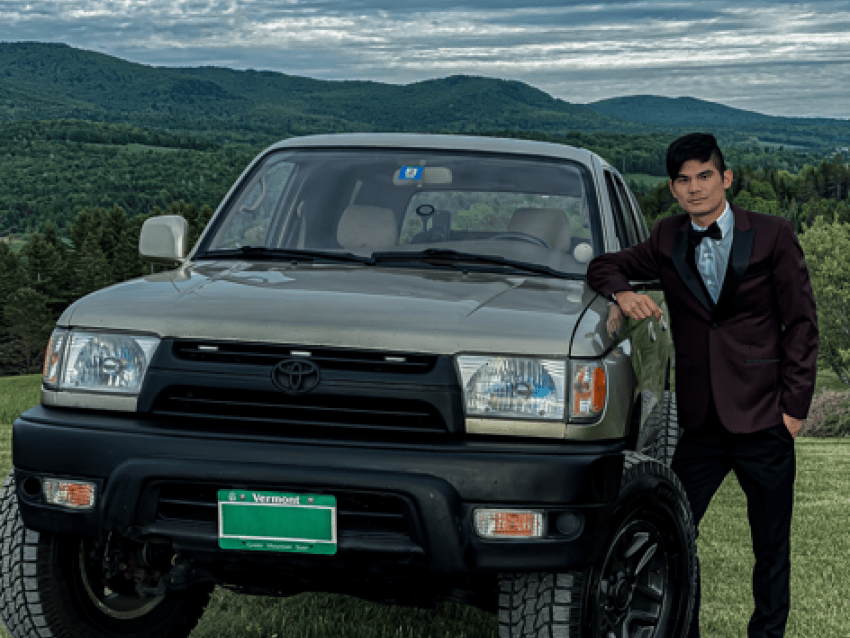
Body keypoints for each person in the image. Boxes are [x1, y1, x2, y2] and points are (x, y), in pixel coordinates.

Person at [587, 132, 818, 638]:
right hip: (701, 426)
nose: (695, 189)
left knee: (771, 548)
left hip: (764, 420)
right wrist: (623, 295)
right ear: (672, 188)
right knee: (671, 539)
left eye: (705, 176)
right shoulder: (667, 238)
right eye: (684, 181)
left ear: (726, 178)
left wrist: (794, 409)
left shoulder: (774, 234)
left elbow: (801, 323)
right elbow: (604, 266)